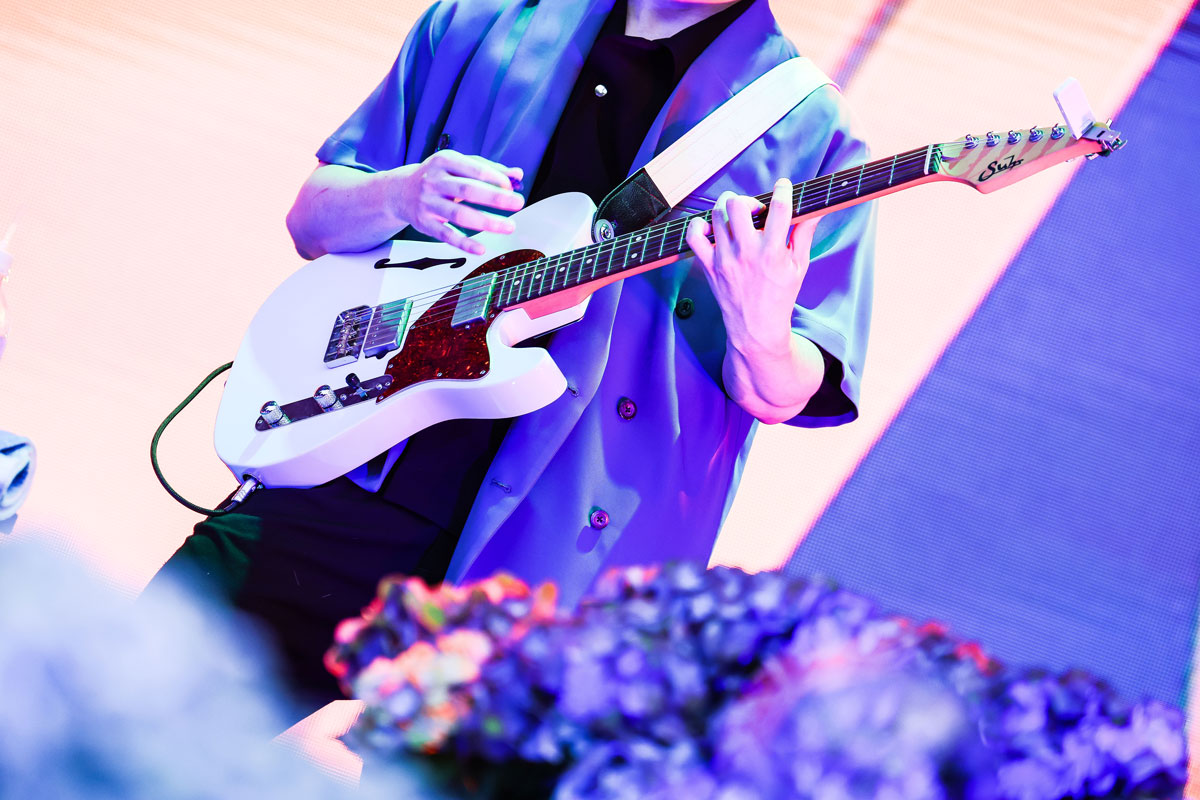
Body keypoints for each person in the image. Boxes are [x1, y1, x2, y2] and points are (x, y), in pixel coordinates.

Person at [152, 0, 875, 711]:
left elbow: (783, 393)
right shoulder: (483, 19)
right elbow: (313, 220)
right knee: (131, 700)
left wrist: (761, 330)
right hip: (357, 473)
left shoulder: (810, 129)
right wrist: (401, 195)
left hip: (564, 568)